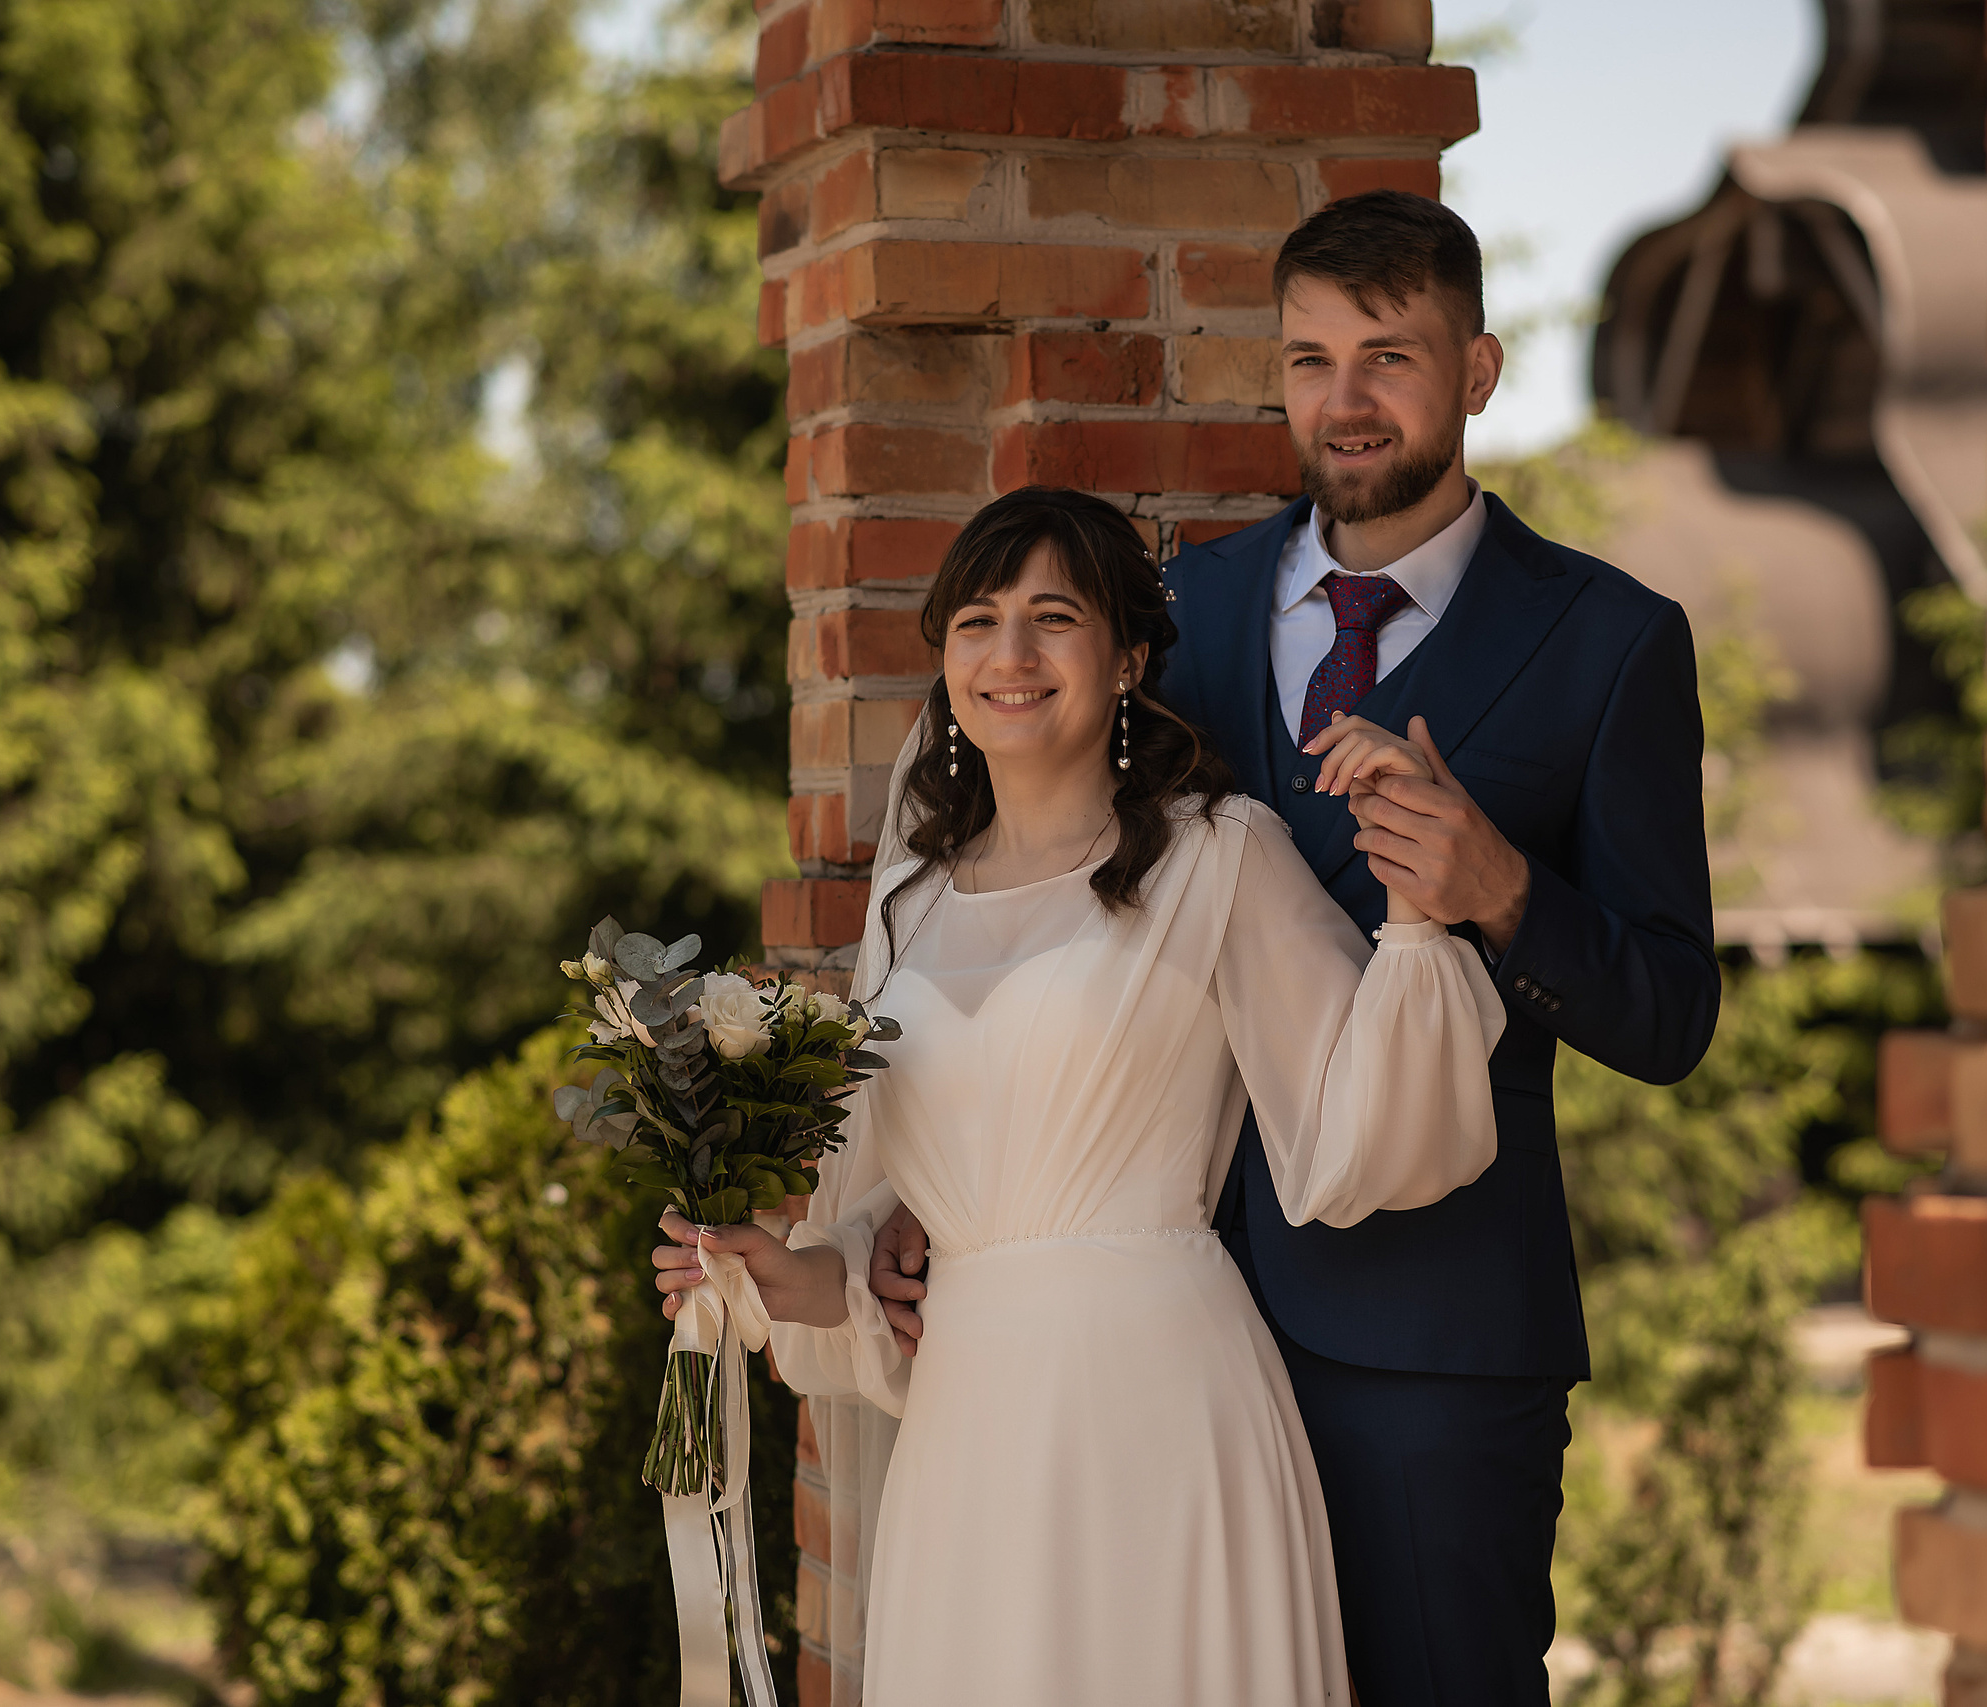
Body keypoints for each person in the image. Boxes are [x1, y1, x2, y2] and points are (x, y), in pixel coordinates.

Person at [867, 190, 1723, 1703]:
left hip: (1430, 1348)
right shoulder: (1174, 607)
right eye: (1310, 359)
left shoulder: (1607, 642)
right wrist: (958, 1187)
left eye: (1390, 357)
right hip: (1151, 1351)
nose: (1346, 400)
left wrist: (1501, 888)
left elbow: (1669, 1012)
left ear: (1478, 371)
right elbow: (1062, 896)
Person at [652, 484, 1510, 1706]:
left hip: (1163, 1402)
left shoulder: (1217, 853)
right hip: (968, 1432)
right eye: (977, 622)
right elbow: (893, 1229)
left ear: (1127, 661)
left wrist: (1415, 915)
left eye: (1053, 618)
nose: (1009, 654)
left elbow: (1360, 1134)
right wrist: (780, 1275)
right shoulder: (910, 910)